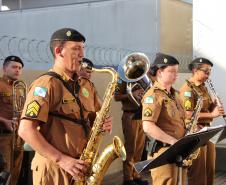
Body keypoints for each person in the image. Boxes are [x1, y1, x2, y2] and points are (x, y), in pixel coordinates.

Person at [18, 28, 112, 185]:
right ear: (58, 51)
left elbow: (95, 118)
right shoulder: (46, 84)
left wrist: (103, 123)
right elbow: (26, 130)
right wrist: (62, 160)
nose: (82, 54)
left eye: (83, 48)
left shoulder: (85, 85)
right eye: (76, 49)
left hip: (80, 168)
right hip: (54, 171)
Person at [142, 53, 186, 185]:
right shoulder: (153, 95)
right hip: (164, 152)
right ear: (160, 72)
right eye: (172, 71)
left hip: (178, 151)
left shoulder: (175, 94)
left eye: (176, 71)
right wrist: (173, 141)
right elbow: (148, 126)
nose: (176, 75)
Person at [179, 57, 225, 185]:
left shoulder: (203, 87)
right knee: (198, 172)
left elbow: (206, 107)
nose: (208, 74)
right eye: (206, 71)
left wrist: (215, 106)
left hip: (207, 132)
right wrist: (212, 114)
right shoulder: (187, 89)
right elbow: (188, 114)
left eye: (210, 71)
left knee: (209, 169)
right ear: (195, 70)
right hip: (196, 133)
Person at [114, 73, 148, 185]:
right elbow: (116, 96)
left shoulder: (143, 78)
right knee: (130, 149)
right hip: (130, 116)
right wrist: (131, 94)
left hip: (141, 116)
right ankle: (128, 178)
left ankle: (136, 175)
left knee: (139, 148)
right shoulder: (123, 79)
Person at [0, 55, 24, 185]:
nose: (17, 70)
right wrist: (5, 121)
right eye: (14, 67)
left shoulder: (19, 88)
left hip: (18, 137)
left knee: (15, 174)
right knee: (5, 173)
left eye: (20, 68)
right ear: (4, 68)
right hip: (3, 137)